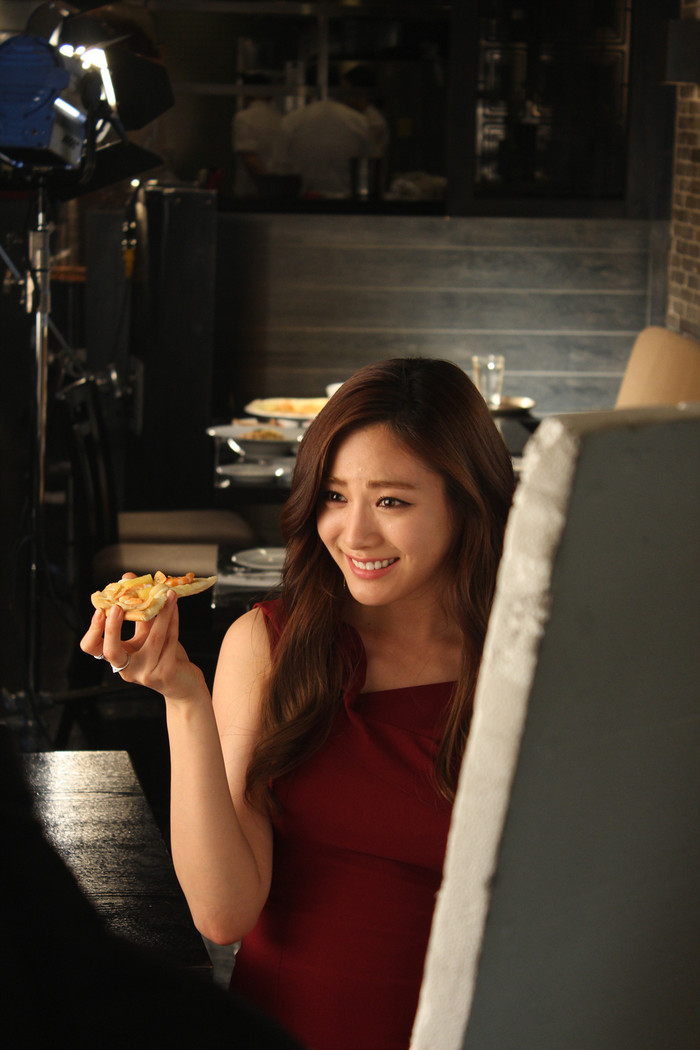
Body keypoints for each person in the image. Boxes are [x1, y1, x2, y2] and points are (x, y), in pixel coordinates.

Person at [80, 357, 515, 1050]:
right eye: (335, 496)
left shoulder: (523, 661)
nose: (354, 533)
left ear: (466, 502)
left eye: (392, 501)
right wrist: (184, 699)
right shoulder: (270, 644)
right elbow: (223, 914)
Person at [268, 65, 372, 197]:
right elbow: (369, 167)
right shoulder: (359, 121)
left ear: (307, 87)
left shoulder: (291, 121)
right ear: (341, 86)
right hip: (347, 202)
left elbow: (279, 170)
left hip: (302, 202)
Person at [232, 73, 281, 197]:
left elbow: (250, 159)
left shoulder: (244, 118)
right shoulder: (280, 119)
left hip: (251, 191)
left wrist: (266, 187)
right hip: (277, 188)